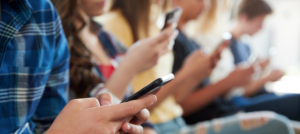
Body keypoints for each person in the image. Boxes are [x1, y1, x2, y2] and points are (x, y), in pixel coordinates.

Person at [0, 0, 156, 133]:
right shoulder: (60, 32)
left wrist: (144, 125)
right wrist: (130, 66)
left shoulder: (46, 17)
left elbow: (51, 122)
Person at [52, 0, 179, 133]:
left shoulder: (107, 38)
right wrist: (130, 66)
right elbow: (81, 122)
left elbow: (131, 102)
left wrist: (147, 129)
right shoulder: (58, 44)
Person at [228, 0, 300, 121]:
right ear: (244, 18)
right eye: (259, 23)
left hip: (254, 95)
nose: (261, 28)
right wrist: (267, 78)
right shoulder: (226, 46)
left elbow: (249, 81)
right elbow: (236, 91)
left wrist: (261, 71)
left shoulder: (245, 46)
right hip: (240, 103)